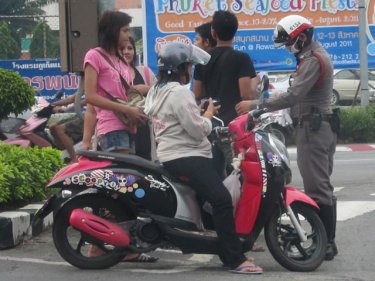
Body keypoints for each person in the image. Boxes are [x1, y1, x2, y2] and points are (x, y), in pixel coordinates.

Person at [144, 42, 263, 274]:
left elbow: (176, 122)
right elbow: (197, 130)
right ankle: (234, 259)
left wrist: (199, 115)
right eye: (188, 65)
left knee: (210, 199)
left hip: (170, 155)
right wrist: (208, 116)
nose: (191, 70)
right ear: (180, 67)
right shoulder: (179, 92)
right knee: (221, 200)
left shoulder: (157, 90)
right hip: (187, 155)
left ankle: (218, 241)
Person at [236, 15, 338, 261]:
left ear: (302, 36)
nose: (288, 48)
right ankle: (327, 242)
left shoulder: (313, 60)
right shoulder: (309, 58)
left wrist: (256, 105)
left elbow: (294, 95)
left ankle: (326, 244)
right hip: (316, 125)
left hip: (314, 129)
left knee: (318, 187)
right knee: (320, 184)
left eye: (289, 42)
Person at [82, 10, 156, 263]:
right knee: (116, 190)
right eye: (125, 30)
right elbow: (90, 97)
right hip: (112, 130)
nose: (129, 34)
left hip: (128, 129)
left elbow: (127, 93)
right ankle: (97, 245)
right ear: (113, 30)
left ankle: (119, 244)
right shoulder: (95, 56)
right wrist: (126, 109)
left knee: (123, 190)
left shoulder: (121, 63)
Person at [193, 10, 258, 179]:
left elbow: (197, 92)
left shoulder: (203, 60)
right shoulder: (241, 58)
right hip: (235, 126)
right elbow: (246, 94)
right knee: (237, 172)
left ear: (213, 32)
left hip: (210, 124)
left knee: (214, 173)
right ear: (235, 32)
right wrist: (256, 82)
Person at [123, 36, 157, 160]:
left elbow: (160, 95)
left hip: (144, 135)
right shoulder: (110, 74)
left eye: (130, 48)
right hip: (119, 134)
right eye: (122, 48)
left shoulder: (145, 73)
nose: (126, 51)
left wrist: (147, 89)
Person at [49, 90, 86, 164]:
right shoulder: (85, 82)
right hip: (83, 114)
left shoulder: (91, 80)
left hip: (92, 116)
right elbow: (73, 98)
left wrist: (51, 105)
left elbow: (87, 100)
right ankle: (66, 154)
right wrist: (50, 105)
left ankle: (74, 159)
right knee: (52, 127)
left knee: (59, 129)